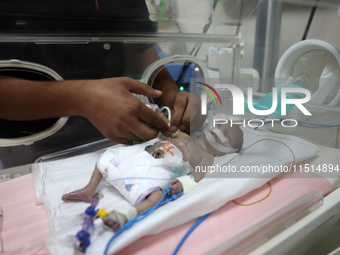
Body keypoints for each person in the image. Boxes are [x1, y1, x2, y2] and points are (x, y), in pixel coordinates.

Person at [0, 0, 205, 145]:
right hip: (31, 138)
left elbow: (141, 54)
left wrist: (173, 97)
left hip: (118, 138)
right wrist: (82, 97)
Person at [62, 121, 243, 232]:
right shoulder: (184, 136)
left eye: (227, 136)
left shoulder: (207, 156)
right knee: (108, 157)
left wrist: (183, 183)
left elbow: (197, 175)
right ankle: (89, 189)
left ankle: (127, 213)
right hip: (142, 154)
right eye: (220, 126)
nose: (219, 131)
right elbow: (165, 128)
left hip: (163, 167)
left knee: (155, 196)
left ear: (224, 152)